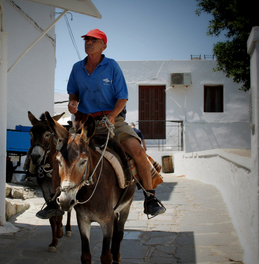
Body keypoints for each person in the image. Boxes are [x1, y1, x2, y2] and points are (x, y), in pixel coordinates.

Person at [36, 29, 165, 219]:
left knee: (137, 150)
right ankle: (54, 201)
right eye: (87, 39)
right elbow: (73, 93)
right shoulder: (76, 68)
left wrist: (112, 117)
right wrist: (72, 103)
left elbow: (123, 97)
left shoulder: (111, 66)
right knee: (61, 154)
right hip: (84, 123)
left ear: (103, 45)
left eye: (93, 40)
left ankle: (150, 198)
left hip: (112, 119)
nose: (89, 42)